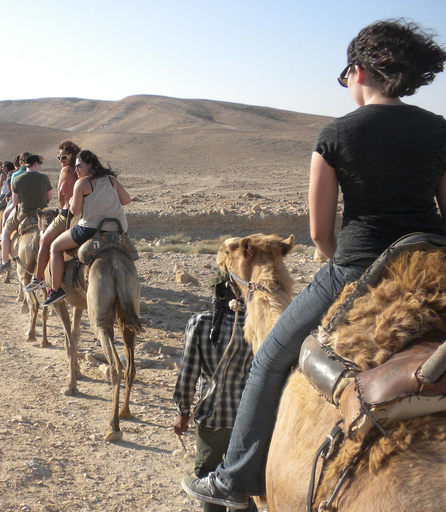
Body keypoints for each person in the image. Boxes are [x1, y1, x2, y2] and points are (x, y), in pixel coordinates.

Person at [184, 20, 446, 510]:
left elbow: (321, 234)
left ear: (358, 70)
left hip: (359, 266)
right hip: (435, 262)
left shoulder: (336, 134)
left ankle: (234, 481)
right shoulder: (439, 130)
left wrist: (336, 265)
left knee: (267, 360)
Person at [173, 272, 258, 512]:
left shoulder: (201, 324)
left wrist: (183, 411)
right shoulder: (257, 326)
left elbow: (188, 372)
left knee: (208, 476)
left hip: (212, 416)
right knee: (244, 479)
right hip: (249, 418)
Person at [43, 150, 131, 306]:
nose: (76, 169)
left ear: (90, 165)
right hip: (118, 228)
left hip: (91, 228)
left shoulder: (82, 183)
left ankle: (55, 289)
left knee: (55, 246)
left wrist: (69, 204)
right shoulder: (111, 180)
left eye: (79, 166)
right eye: (76, 166)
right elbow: (126, 200)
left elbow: (76, 211)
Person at [25, 140, 81, 292]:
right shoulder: (84, 170)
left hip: (68, 213)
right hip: (87, 213)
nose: (61, 161)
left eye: (63, 157)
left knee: (45, 241)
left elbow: (61, 198)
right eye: (59, 158)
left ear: (71, 157)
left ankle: (38, 279)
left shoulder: (66, 172)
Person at [0, 154, 52, 274]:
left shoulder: (17, 179)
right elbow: (50, 197)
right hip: (43, 215)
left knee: (5, 231)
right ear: (36, 164)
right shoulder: (44, 178)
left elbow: (15, 201)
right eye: (39, 164)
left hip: (24, 213)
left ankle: (5, 262)